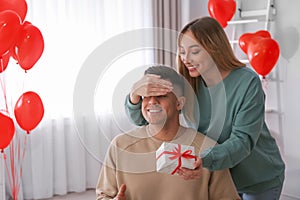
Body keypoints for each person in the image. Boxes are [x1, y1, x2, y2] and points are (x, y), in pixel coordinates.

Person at [124, 17, 285, 200]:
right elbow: (144, 118)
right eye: (183, 52)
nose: (186, 59)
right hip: (216, 178)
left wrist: (201, 159)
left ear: (214, 49)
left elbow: (242, 140)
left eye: (194, 51)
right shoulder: (188, 84)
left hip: (257, 179)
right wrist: (134, 95)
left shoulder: (247, 82)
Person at [96, 65, 240, 200]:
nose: (152, 102)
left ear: (179, 103)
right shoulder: (120, 145)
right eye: (146, 95)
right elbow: (103, 196)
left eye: (161, 95)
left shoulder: (208, 149)